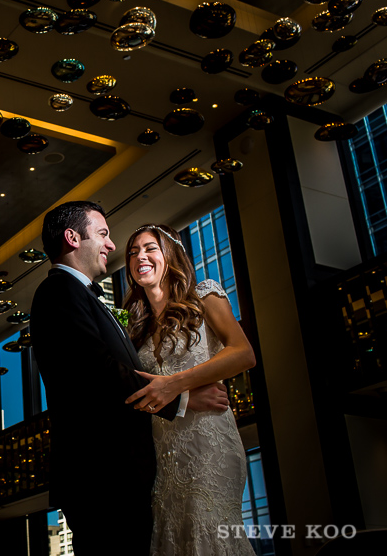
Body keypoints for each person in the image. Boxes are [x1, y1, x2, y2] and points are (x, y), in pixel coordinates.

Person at [30, 201, 231, 555]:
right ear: (73, 238)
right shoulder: (59, 291)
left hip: (126, 471)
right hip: (102, 474)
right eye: (104, 234)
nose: (111, 245)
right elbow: (99, 372)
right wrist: (182, 398)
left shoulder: (84, 296)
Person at [122, 223, 256, 555]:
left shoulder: (204, 294)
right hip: (161, 453)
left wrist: (177, 383)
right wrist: (183, 397)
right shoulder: (134, 325)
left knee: (206, 532)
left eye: (150, 247)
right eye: (133, 251)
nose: (141, 256)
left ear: (170, 254)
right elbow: (134, 394)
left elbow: (243, 353)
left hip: (208, 442)